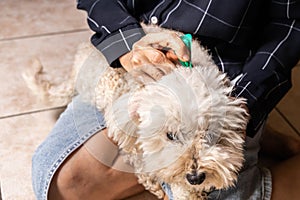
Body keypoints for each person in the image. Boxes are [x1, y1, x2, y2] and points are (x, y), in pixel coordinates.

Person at [32, 0, 300, 199]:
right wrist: (127, 43)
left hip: (230, 78)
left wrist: (242, 103)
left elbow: (290, 26)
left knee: (211, 184)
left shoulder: (231, 100)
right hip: (139, 52)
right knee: (62, 184)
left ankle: (252, 134)